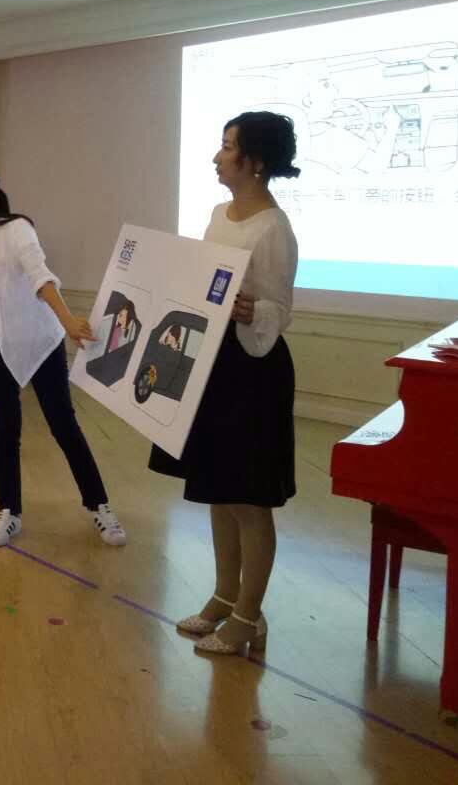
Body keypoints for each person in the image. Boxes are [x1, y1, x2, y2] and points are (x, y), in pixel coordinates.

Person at [150, 111, 300, 655]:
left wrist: (251, 310)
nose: (217, 156)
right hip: (213, 363)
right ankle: (223, 596)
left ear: (255, 162)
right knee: (219, 490)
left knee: (248, 499)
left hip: (252, 370)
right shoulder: (219, 214)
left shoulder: (274, 228)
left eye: (228, 147)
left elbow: (280, 309)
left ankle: (248, 618)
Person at [0, 160, 126, 549]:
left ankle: (99, 505)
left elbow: (40, 278)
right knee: (5, 431)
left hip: (39, 341)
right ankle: (9, 511)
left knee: (64, 425)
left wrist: (68, 320)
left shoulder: (16, 231)